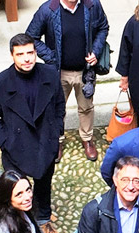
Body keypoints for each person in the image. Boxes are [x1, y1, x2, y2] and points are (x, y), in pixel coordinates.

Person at [0, 34, 67, 233]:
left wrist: (56, 132)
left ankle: (43, 218)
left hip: (44, 141)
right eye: (20, 54)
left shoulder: (49, 74)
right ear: (12, 56)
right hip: (16, 146)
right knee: (15, 189)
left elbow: (60, 105)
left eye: (30, 52)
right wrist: (6, 140)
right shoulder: (0, 83)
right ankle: (17, 226)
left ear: (35, 52)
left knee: (43, 183)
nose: (26, 58)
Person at [26, 0, 110, 161]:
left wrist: (96, 51)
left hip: (85, 72)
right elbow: (31, 36)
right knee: (56, 109)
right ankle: (56, 141)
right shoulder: (48, 10)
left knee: (86, 108)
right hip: (59, 73)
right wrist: (51, 57)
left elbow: (103, 27)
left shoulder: (92, 5)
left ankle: (87, 139)